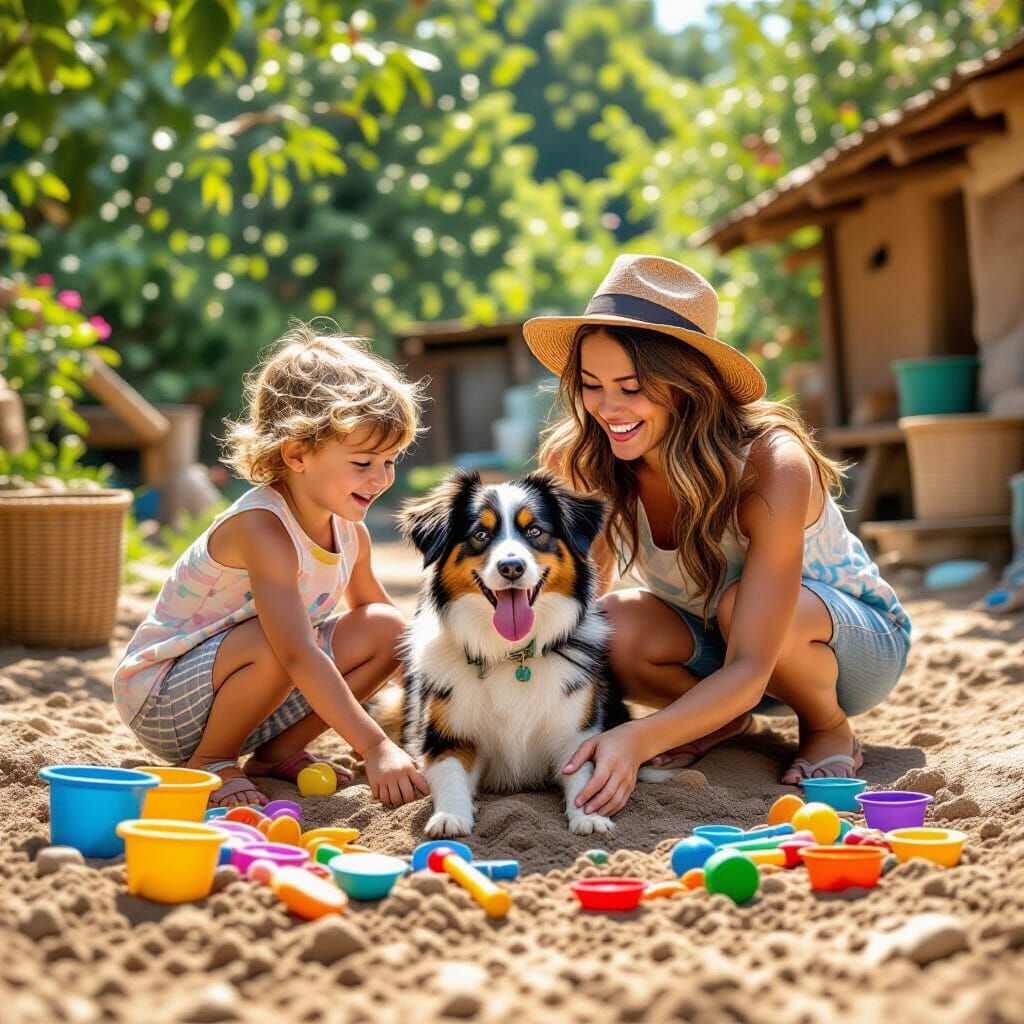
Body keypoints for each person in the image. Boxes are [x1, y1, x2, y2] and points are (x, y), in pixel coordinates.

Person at [526, 255, 911, 818]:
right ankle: (716, 720)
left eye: (631, 388)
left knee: (736, 605)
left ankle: (828, 727)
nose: (608, 408)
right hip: (717, 648)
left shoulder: (770, 462)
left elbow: (751, 665)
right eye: (591, 385)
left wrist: (638, 737)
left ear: (687, 384)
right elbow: (577, 606)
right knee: (608, 625)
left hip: (849, 651)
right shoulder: (584, 457)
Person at [113, 324, 430, 808]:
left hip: (256, 687)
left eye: (391, 461)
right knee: (276, 638)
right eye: (364, 462)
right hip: (163, 700)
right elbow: (298, 653)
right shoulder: (262, 528)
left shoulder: (350, 533)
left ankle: (275, 755)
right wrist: (374, 746)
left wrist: (444, 706)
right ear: (297, 453)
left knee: (388, 628)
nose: (382, 478)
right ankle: (210, 760)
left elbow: (400, 646)